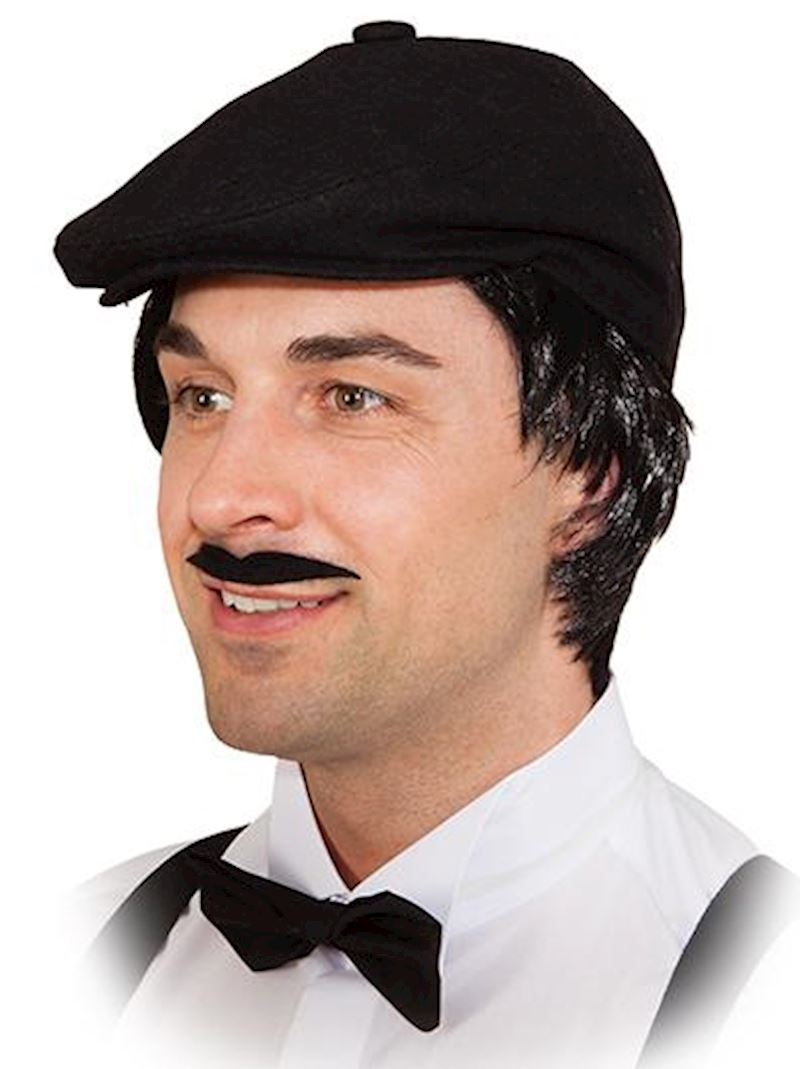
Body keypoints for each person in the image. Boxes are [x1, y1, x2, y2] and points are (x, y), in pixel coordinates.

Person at [53, 19, 798, 1069]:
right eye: (201, 396)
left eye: (351, 396)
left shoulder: (766, 1002)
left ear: (590, 475)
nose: (219, 499)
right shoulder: (70, 955)